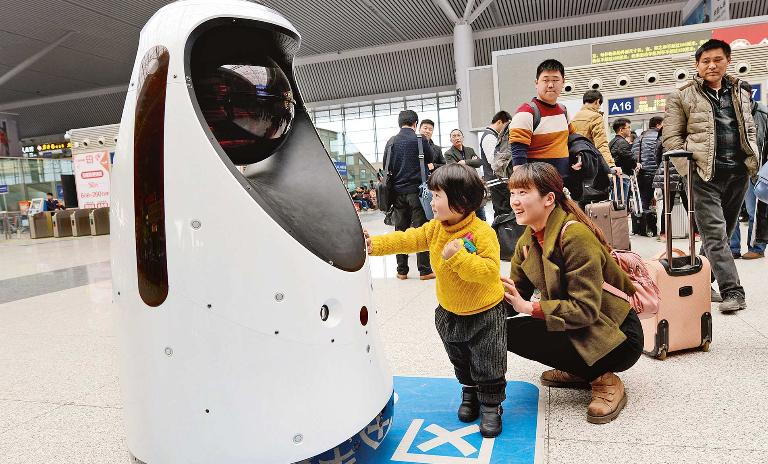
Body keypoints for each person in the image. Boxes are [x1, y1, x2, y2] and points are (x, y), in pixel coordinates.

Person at [365, 163, 507, 437]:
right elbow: (409, 239)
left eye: (437, 195)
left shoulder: (481, 233)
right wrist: (375, 246)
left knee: (488, 360)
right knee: (460, 359)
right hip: (449, 311)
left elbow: (489, 273)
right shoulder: (435, 228)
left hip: (485, 313)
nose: (431, 201)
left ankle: (491, 405)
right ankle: (469, 393)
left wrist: (458, 257)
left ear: (461, 201)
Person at [502, 163, 642, 424]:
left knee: (519, 328)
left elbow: (586, 310)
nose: (515, 201)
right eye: (512, 193)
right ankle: (580, 368)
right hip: (578, 325)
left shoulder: (574, 234)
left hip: (617, 334)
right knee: (499, 330)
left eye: (523, 192)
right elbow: (514, 295)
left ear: (549, 199)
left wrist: (530, 308)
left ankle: (603, 378)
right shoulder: (526, 242)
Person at [662, 39, 759, 312]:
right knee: (715, 235)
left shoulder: (740, 91)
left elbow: (749, 130)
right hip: (702, 176)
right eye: (705, 61)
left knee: (724, 234)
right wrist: (688, 172)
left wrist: (752, 159)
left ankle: (701, 283)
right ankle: (733, 291)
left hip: (737, 173)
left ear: (727, 61)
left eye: (717, 59)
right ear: (697, 65)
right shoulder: (681, 95)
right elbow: (671, 139)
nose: (711, 65)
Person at [508, 59, 582, 200]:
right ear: (536, 83)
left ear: (563, 82)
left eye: (555, 80)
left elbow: (572, 141)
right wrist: (524, 194)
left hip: (563, 186)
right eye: (545, 80)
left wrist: (578, 158)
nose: (550, 85)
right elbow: (518, 160)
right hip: (539, 189)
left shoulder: (563, 111)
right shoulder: (526, 112)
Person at [381, 110, 436, 280]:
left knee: (400, 231)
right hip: (418, 192)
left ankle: (402, 271)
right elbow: (430, 158)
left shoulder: (391, 142)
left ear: (400, 123)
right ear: (415, 124)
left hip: (397, 194)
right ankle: (424, 270)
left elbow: (385, 165)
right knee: (421, 230)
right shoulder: (421, 140)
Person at [730, 96, 768, 260]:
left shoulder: (763, 113)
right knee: (732, 212)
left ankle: (757, 247)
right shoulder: (729, 113)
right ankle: (732, 247)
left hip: (756, 170)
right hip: (734, 170)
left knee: (755, 211)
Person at [571, 90, 620, 175]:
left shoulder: (574, 118)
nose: (598, 108)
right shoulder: (595, 116)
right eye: (599, 105)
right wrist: (610, 165)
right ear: (597, 101)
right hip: (591, 164)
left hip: (577, 164)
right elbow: (601, 144)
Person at [444, 129, 486, 221]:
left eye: (459, 135)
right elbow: (455, 169)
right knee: (467, 216)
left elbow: (479, 162)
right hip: (462, 187)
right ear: (450, 139)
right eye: (454, 136)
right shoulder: (448, 153)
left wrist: (464, 162)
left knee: (481, 216)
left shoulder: (469, 150)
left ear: (462, 137)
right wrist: (471, 162)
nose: (457, 138)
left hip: (474, 185)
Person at [480, 111, 513, 217]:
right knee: (503, 213)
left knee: (504, 211)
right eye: (506, 126)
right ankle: (502, 234)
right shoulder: (489, 136)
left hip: (499, 181)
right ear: (499, 122)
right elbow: (493, 160)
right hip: (497, 181)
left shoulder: (493, 135)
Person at [632, 116, 663, 212]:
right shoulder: (661, 137)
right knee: (666, 202)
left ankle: (644, 224)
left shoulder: (639, 138)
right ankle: (663, 225)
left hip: (644, 174)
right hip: (660, 173)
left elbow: (633, 155)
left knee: (644, 201)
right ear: (658, 125)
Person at [609, 118, 636, 205]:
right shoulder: (622, 142)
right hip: (622, 176)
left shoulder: (612, 142)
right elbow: (629, 158)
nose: (630, 130)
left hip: (615, 175)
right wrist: (635, 165)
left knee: (615, 202)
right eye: (628, 127)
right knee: (620, 204)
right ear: (621, 130)